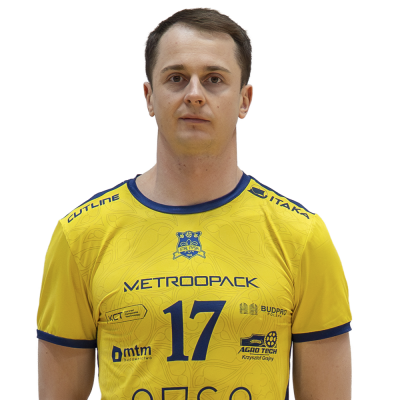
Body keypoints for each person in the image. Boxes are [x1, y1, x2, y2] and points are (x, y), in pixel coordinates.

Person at [36, 7, 353, 400]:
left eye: (214, 79)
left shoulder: (302, 237)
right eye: (176, 78)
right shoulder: (80, 236)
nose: (195, 94)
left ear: (245, 100)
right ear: (149, 96)